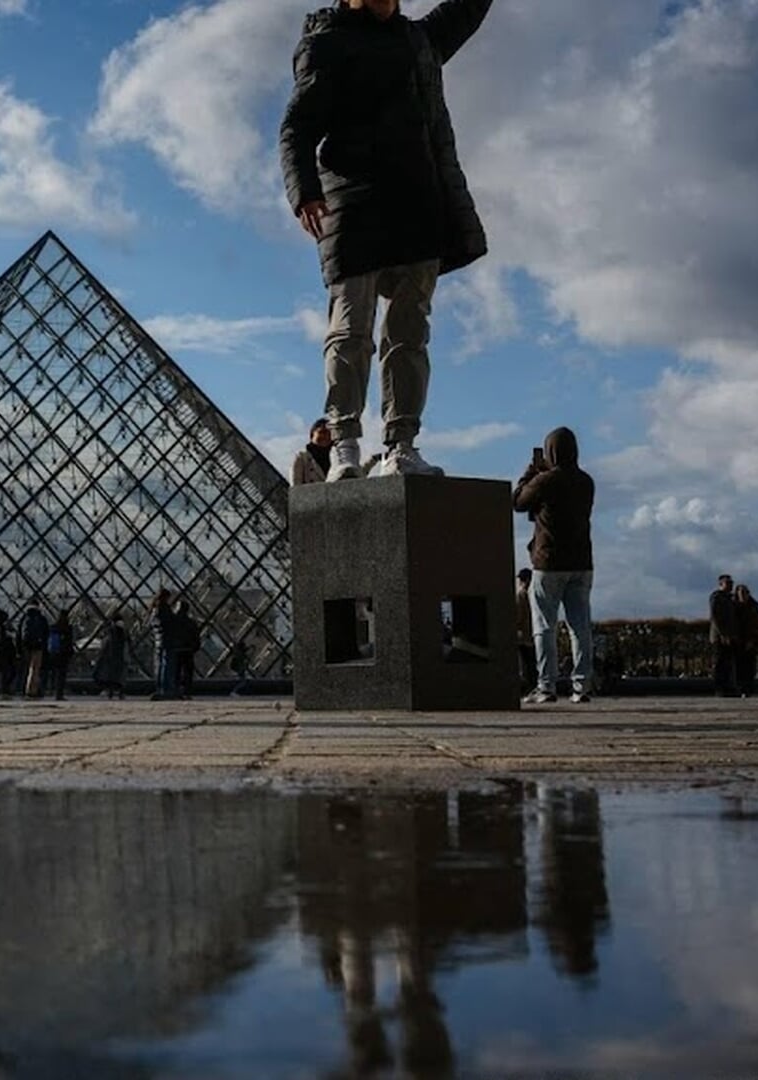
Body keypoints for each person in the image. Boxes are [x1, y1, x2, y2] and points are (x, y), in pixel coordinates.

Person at [279, 0, 494, 480]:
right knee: (350, 330)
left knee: (409, 333)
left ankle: (401, 445)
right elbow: (296, 127)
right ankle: (345, 444)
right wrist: (304, 193)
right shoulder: (326, 43)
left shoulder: (419, 40)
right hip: (352, 207)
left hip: (418, 206)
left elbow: (468, 8)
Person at [513, 428, 595, 704]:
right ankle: (581, 686)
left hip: (548, 562)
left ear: (550, 451)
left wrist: (530, 472)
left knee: (544, 626)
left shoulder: (545, 480)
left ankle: (546, 686)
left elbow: (518, 501)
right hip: (582, 561)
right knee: (580, 627)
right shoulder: (586, 481)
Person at [709, 574, 741, 697]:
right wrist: (723, 634)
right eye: (728, 583)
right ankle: (720, 689)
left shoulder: (730, 599)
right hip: (720, 637)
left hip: (730, 635)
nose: (731, 585)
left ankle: (728, 688)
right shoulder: (716, 597)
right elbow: (715, 617)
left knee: (728, 663)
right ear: (721, 584)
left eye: (731, 583)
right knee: (719, 663)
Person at [735, 584, 758, 699]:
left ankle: (747, 689)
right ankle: (741, 688)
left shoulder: (753, 608)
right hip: (738, 641)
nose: (743, 595)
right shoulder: (735, 607)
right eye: (741, 593)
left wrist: (753, 640)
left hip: (750, 641)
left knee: (749, 667)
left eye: (744, 593)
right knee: (739, 667)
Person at [149, 589, 178, 700]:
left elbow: (153, 626)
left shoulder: (153, 610)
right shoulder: (164, 608)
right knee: (167, 666)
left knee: (160, 666)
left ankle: (160, 688)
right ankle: (167, 689)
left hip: (158, 641)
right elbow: (169, 624)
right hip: (167, 640)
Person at [20, 600, 50, 699]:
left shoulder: (24, 618)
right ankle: (33, 690)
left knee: (26, 669)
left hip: (26, 646)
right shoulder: (41, 619)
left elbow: (19, 634)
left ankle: (24, 689)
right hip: (38, 646)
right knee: (35, 669)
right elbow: (46, 634)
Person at [291, 418, 333, 486]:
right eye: (322, 432)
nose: (326, 436)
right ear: (312, 433)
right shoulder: (302, 457)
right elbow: (296, 486)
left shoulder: (338, 456)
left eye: (330, 433)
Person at [95, 612, 128, 700]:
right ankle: (120, 692)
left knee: (111, 676)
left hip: (111, 657)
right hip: (120, 657)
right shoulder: (123, 632)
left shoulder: (109, 632)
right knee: (120, 676)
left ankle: (111, 692)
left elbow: (105, 644)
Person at [174, 601, 202, 700]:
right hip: (188, 650)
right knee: (188, 673)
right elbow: (196, 637)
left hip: (176, 650)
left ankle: (176, 690)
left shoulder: (173, 622)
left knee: (176, 672)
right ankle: (187, 691)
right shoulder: (191, 622)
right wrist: (195, 647)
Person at [514, 568, 535, 695]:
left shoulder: (520, 595)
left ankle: (526, 689)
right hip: (533, 636)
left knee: (524, 666)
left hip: (522, 636)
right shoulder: (535, 595)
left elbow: (517, 617)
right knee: (532, 665)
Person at [46, 609, 75, 701]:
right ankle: (59, 693)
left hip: (54, 653)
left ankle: (50, 689)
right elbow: (69, 642)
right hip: (64, 653)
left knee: (53, 673)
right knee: (61, 674)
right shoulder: (68, 628)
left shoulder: (53, 627)